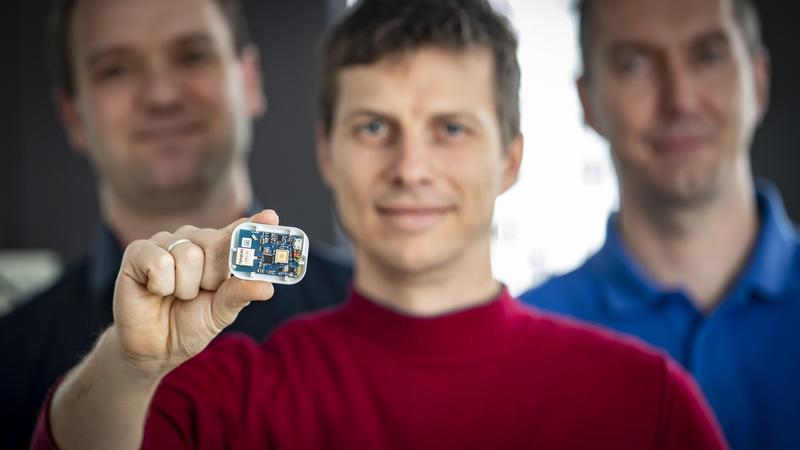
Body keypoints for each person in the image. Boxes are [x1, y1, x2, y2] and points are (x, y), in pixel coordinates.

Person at [32, 1, 728, 449]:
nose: (410, 166)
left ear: (511, 158)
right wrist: (127, 366)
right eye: (374, 128)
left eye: (450, 128)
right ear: (326, 153)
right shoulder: (222, 395)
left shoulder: (646, 401)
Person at [0, 0, 350, 448]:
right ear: (73, 115)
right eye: (116, 70)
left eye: (192, 55)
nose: (162, 95)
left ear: (249, 80)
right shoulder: (7, 359)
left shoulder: (380, 315)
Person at [519, 0, 799, 448]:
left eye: (707, 55)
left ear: (759, 81)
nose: (680, 100)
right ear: (587, 101)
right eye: (635, 64)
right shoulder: (523, 348)